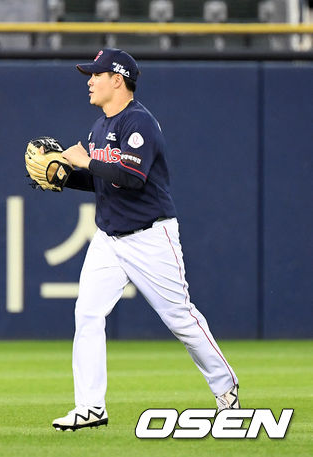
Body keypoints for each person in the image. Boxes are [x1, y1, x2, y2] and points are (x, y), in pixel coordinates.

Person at [50, 49, 239, 431]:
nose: (89, 80)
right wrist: (65, 178)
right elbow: (103, 180)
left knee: (180, 319)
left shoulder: (140, 123)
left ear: (117, 80)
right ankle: (90, 407)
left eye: (95, 75)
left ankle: (226, 387)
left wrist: (84, 162)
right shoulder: (98, 126)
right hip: (108, 239)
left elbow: (132, 178)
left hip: (150, 236)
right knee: (87, 313)